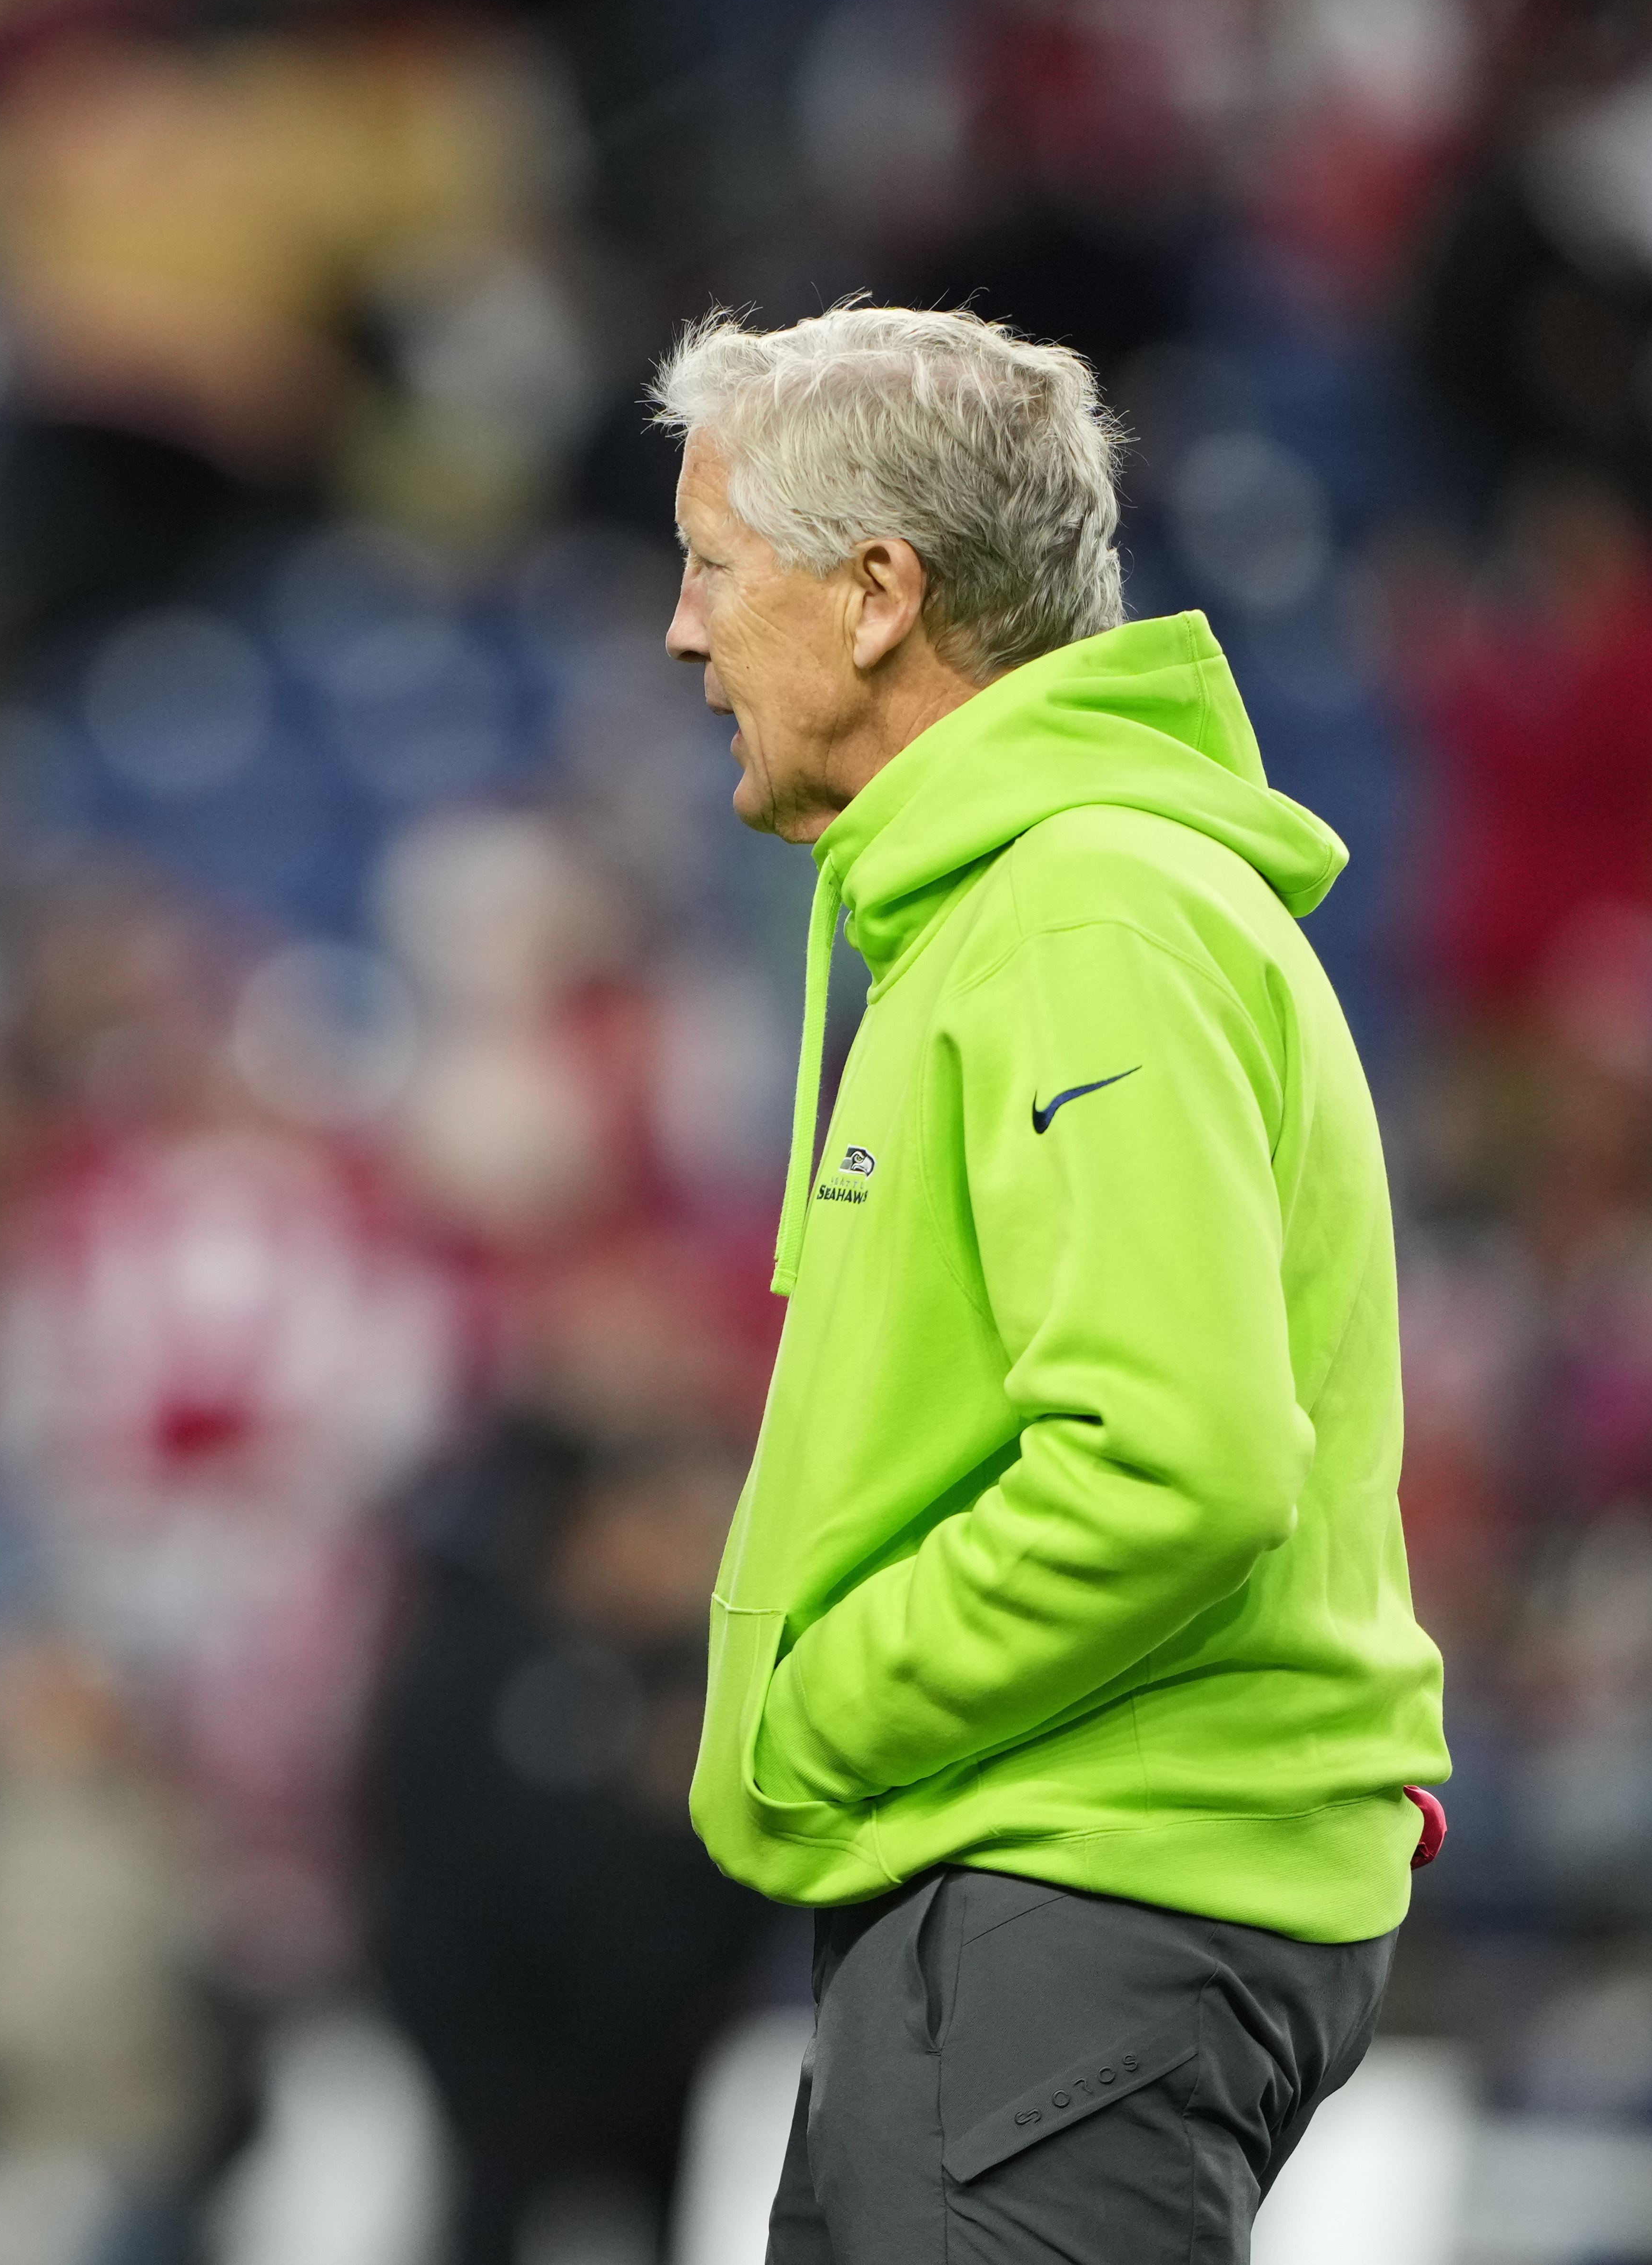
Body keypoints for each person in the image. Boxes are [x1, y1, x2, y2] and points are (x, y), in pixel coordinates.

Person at [651, 302, 1450, 2259]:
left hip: (1067, 1902)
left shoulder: (1078, 911)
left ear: (873, 594)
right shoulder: (1045, 902)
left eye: (706, 569)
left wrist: (818, 1704)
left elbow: (1169, 1458)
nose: (678, 633)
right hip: (1045, 1907)